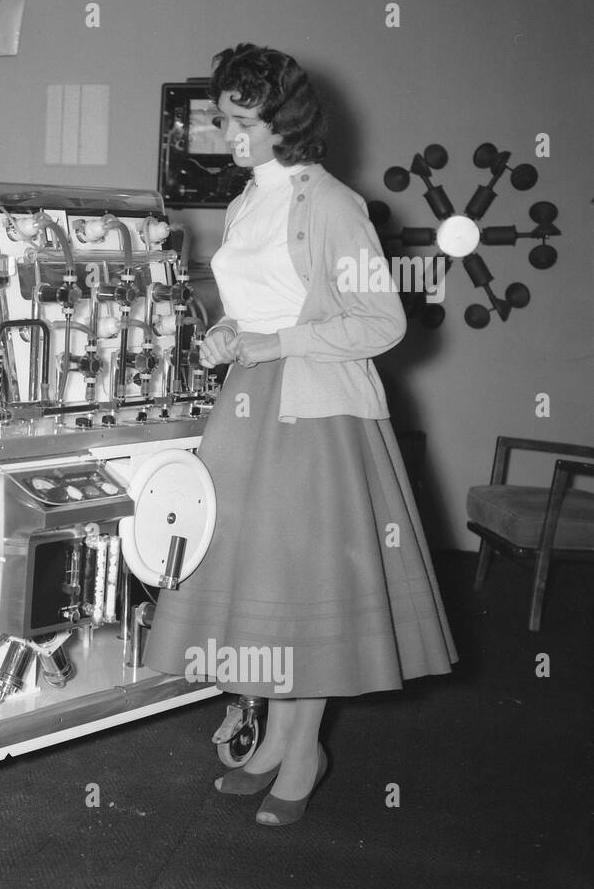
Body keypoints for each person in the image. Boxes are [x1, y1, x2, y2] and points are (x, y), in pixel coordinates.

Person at [144, 43, 456, 826]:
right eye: (221, 118)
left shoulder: (332, 205)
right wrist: (225, 334)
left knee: (301, 582)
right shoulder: (249, 200)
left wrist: (273, 342)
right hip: (249, 405)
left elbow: (382, 321)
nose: (226, 133)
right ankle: (278, 739)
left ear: (284, 122)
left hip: (314, 414)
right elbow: (262, 305)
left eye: (240, 119)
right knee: (264, 586)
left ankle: (305, 747)